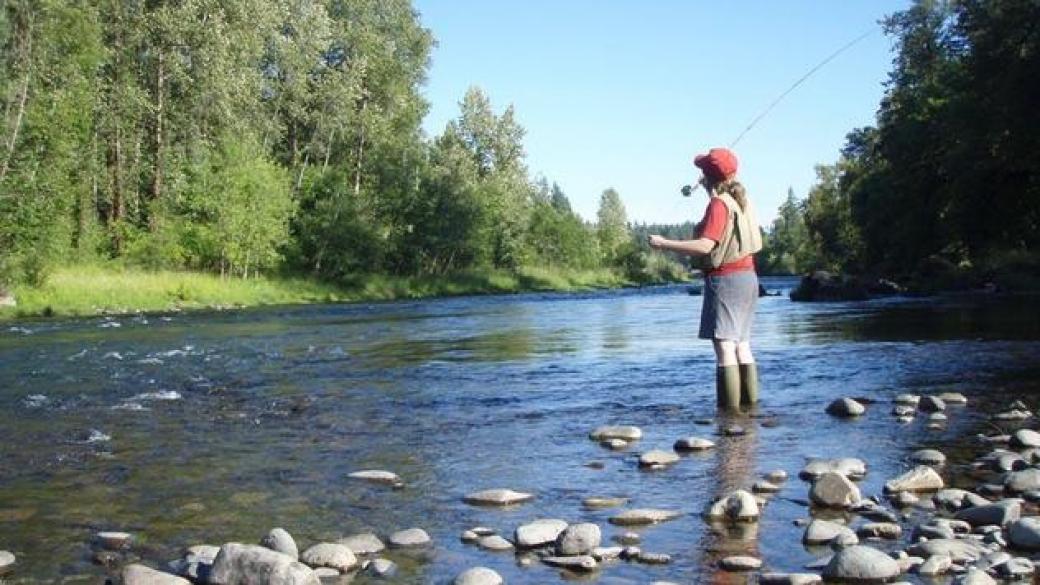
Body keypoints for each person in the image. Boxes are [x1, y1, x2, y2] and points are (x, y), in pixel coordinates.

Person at [648, 147, 762, 411]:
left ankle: (729, 418)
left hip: (726, 281)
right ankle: (750, 413)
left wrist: (664, 243)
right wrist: (709, 187)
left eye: (702, 171)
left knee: (724, 349)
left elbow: (705, 246)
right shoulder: (742, 201)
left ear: (708, 176)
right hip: (749, 278)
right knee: (742, 347)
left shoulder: (719, 205)